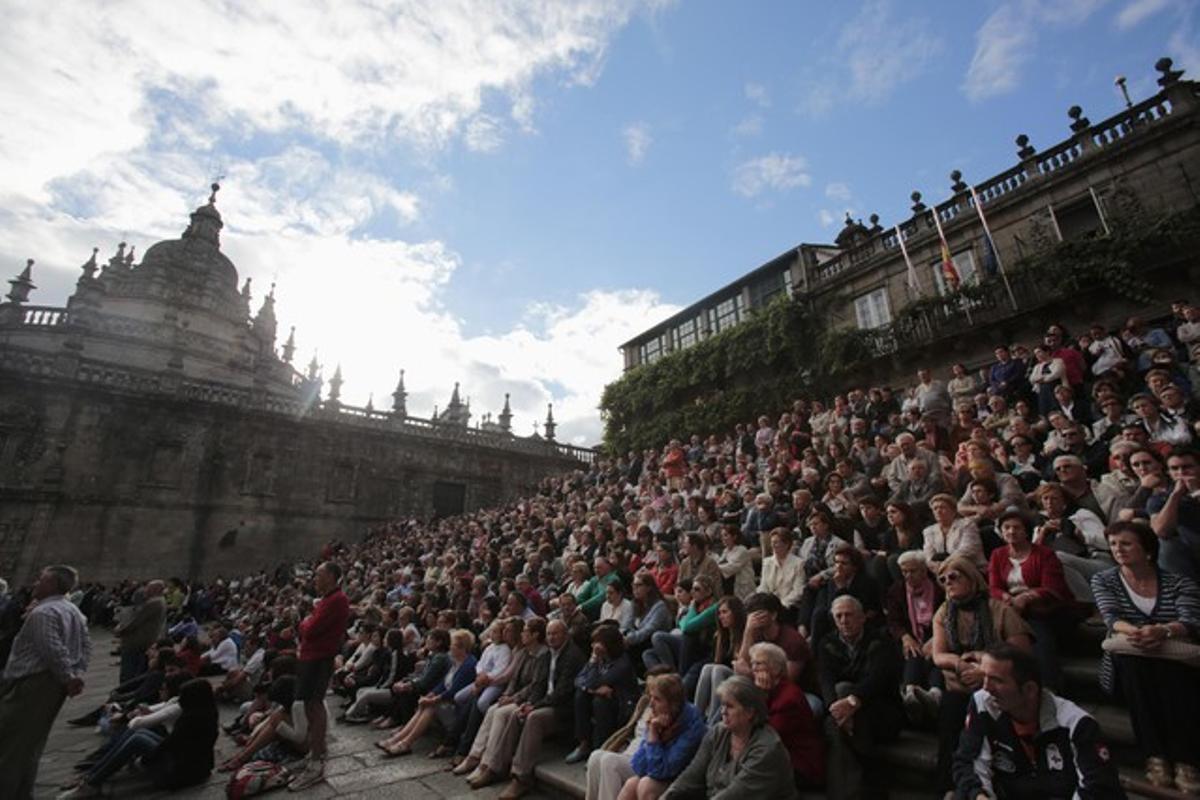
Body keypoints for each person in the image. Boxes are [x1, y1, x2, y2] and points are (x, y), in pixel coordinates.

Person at [1091, 520, 1200, 792]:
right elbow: (1111, 617)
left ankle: (1185, 758)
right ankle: (1155, 756)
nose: (1118, 550)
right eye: (1114, 544)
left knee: (1172, 674)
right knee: (1134, 665)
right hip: (1132, 649)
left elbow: (1191, 620)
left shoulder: (1178, 582)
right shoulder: (1104, 579)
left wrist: (1162, 631)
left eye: (1126, 544)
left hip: (1172, 652)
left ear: (1147, 549)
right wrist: (1138, 633)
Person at [952, 643, 1125, 800]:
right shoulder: (983, 704)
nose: (986, 688)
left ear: (1029, 690)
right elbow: (968, 762)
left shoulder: (1077, 725)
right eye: (984, 677)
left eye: (997, 680)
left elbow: (1097, 788)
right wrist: (980, 796)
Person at [930, 556, 1033, 794]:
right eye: (943, 579)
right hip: (960, 686)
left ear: (972, 579)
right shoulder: (944, 613)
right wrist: (960, 665)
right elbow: (938, 655)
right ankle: (948, 789)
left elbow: (1023, 653)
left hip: (997, 686)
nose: (948, 583)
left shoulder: (999, 610)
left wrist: (983, 669)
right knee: (951, 713)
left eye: (954, 577)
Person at [0, 565, 91, 800]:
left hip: (33, 684)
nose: (35, 583)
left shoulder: (44, 613)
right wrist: (76, 675)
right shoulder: (73, 611)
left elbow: (53, 650)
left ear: (52, 584)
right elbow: (85, 647)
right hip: (51, 684)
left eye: (40, 579)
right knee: (31, 744)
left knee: (11, 745)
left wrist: (70, 677)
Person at [59, 678, 219, 798]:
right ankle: (92, 776)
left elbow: (171, 744)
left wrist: (146, 759)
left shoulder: (193, 718)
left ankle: (92, 782)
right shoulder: (205, 712)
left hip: (182, 772)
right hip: (187, 763)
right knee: (139, 733)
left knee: (138, 739)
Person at [487, 619, 586, 799]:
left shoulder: (573, 656)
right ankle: (497, 766)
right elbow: (538, 685)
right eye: (549, 634)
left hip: (562, 708)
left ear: (565, 635)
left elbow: (562, 692)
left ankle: (521, 777)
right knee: (517, 713)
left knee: (534, 718)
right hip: (544, 701)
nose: (551, 637)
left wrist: (535, 706)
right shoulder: (548, 654)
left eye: (555, 633)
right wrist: (529, 703)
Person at [817, 595, 904, 800]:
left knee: (843, 698)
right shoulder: (827, 643)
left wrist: (852, 702)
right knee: (834, 721)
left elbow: (878, 679)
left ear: (862, 618)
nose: (844, 621)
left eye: (849, 615)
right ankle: (863, 788)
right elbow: (825, 679)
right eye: (839, 616)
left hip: (882, 711)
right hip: (849, 715)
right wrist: (837, 708)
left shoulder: (881, 641)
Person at [660, 675, 798, 799]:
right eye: (722, 705)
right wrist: (667, 796)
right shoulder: (718, 732)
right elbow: (692, 774)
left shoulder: (767, 749)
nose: (723, 712)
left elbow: (736, 794)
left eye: (730, 706)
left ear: (750, 712)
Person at [987, 510, 1075, 690]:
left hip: (1044, 609)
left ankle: (1050, 687)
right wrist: (1008, 598)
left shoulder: (1045, 554)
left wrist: (1025, 598)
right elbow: (993, 587)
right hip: (1010, 608)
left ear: (1026, 531)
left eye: (1016, 528)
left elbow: (1052, 588)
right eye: (1006, 528)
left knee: (1037, 635)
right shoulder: (998, 554)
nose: (1011, 531)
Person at [288, 561, 351, 791]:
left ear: (332, 576)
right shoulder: (326, 599)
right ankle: (316, 751)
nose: (315, 578)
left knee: (314, 704)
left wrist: (304, 623)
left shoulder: (337, 600)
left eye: (319, 574)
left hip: (319, 657)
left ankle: (316, 763)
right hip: (311, 656)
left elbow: (309, 629)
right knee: (308, 704)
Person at [378, 628, 477, 756]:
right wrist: (431, 694)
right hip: (448, 701)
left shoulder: (469, 665)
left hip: (457, 708)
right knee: (424, 703)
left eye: (453, 645)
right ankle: (397, 739)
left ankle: (406, 743)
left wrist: (433, 699)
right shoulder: (456, 662)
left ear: (462, 647)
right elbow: (443, 683)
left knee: (430, 706)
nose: (450, 648)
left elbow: (453, 691)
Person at [610, 672, 706, 800]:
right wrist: (653, 732)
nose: (651, 704)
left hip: (687, 785)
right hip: (664, 776)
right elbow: (638, 766)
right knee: (631, 784)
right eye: (651, 697)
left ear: (673, 704)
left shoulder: (691, 725)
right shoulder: (658, 719)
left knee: (646, 785)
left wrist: (654, 736)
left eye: (657, 699)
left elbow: (661, 772)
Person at [749, 642, 824, 790]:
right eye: (752, 663)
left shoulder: (789, 698)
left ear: (776, 669)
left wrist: (760, 695)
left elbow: (766, 737)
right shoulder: (771, 690)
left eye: (759, 664)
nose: (754, 669)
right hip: (776, 757)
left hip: (800, 765)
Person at [884, 550, 944, 724]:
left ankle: (934, 695)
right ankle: (911, 694)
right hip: (912, 634)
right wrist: (905, 636)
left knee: (937, 652)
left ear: (924, 570)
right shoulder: (897, 589)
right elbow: (893, 620)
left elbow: (948, 615)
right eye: (904, 572)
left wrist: (935, 639)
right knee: (912, 649)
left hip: (937, 634)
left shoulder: (939, 586)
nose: (908, 576)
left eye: (913, 571)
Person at [568, 624, 637, 763]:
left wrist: (592, 680)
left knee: (600, 702)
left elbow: (596, 681)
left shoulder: (622, 663)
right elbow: (578, 679)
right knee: (580, 696)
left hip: (621, 704)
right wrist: (592, 688)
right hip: (602, 697)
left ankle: (599, 750)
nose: (594, 646)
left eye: (597, 642)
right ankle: (583, 744)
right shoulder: (599, 658)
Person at [1148, 447, 1200, 583]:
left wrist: (1196, 492)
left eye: (1187, 467)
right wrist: (1176, 496)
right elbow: (1161, 531)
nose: (1181, 473)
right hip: (1190, 552)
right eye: (1175, 469)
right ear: (1168, 472)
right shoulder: (1160, 499)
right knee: (1167, 545)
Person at [114, 579, 166, 683]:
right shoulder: (161, 601)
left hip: (136, 641)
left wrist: (120, 630)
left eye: (148, 588)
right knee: (138, 668)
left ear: (156, 589)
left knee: (129, 669)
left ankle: (124, 689)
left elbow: (136, 621)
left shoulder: (153, 603)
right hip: (147, 640)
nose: (145, 590)